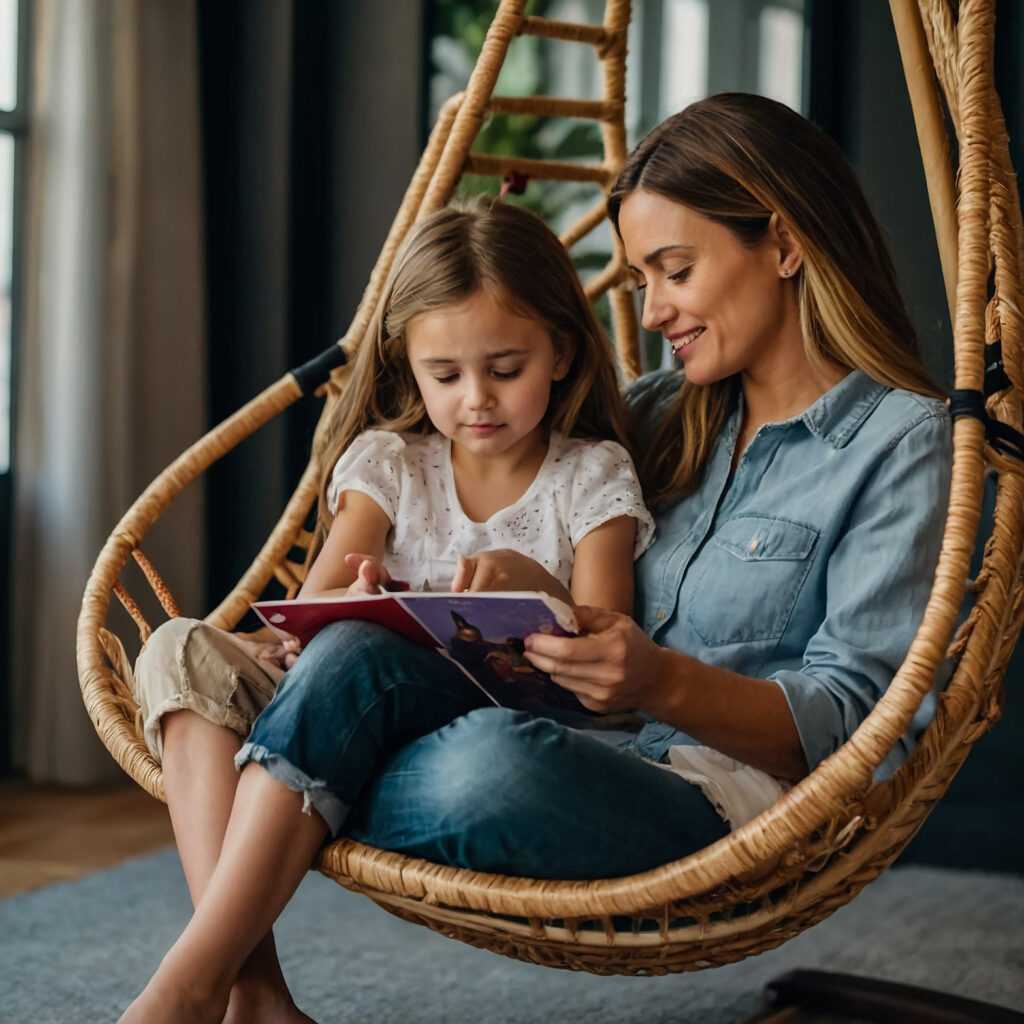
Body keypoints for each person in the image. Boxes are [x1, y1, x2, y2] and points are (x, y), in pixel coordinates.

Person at [121, 93, 951, 1024]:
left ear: (786, 244)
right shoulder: (654, 412)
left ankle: (262, 845)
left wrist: (657, 681)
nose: (654, 308)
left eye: (674, 270)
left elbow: (862, 734)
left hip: (703, 799)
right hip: (525, 728)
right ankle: (224, 995)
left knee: (482, 766)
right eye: (640, 278)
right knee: (238, 657)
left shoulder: (902, 443)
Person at [123, 198, 657, 1024]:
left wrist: (529, 583)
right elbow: (304, 615)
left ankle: (187, 984)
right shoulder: (392, 463)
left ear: (560, 349)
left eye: (505, 368)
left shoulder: (591, 477)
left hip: (480, 725)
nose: (475, 399)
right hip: (337, 705)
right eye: (445, 376)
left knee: (350, 659)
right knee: (177, 651)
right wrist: (357, 600)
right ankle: (256, 994)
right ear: (411, 369)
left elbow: (607, 656)